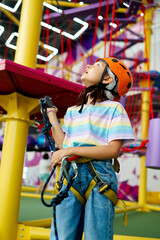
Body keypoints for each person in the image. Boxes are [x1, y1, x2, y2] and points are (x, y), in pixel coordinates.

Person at [46, 57, 135, 240]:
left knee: (97, 236)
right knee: (62, 236)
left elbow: (112, 151)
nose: (88, 65)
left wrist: (70, 151)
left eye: (97, 65)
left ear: (107, 79)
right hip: (70, 175)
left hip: (100, 176)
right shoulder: (72, 111)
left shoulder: (114, 109)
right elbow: (63, 145)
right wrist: (53, 118)